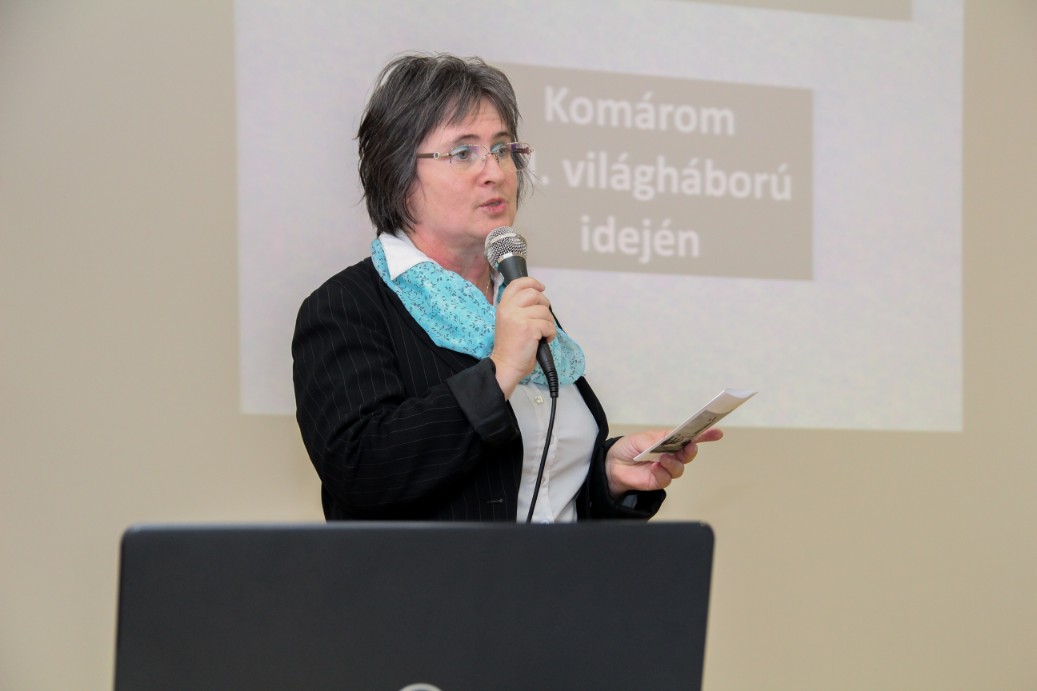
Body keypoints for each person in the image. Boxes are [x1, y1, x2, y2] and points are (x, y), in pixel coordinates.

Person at [292, 53, 722, 522]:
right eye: (463, 153)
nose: (495, 172)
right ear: (396, 174)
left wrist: (608, 476)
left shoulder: (510, 296)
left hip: (557, 571)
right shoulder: (347, 307)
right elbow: (361, 471)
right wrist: (499, 370)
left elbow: (534, 488)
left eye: (501, 149)